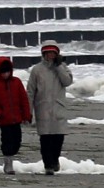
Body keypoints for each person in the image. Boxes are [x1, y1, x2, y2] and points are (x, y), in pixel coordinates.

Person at [27, 40, 74, 175]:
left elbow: (67, 81)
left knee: (58, 138)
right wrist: (28, 111)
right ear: (43, 54)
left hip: (58, 107)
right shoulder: (37, 70)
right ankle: (48, 165)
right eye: (48, 53)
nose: (50, 56)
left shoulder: (62, 67)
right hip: (42, 108)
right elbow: (30, 91)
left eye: (53, 53)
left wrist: (59, 66)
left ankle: (55, 161)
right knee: (45, 139)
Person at [0, 56, 32, 175]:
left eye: (7, 71)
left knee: (17, 141)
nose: (5, 74)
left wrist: (27, 115)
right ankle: (8, 163)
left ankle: (10, 156)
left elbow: (24, 100)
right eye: (3, 72)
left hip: (17, 118)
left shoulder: (17, 82)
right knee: (7, 141)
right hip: (4, 120)